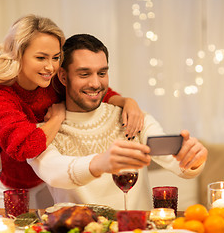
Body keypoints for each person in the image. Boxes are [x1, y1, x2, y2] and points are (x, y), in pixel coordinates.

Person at [0, 15, 145, 209]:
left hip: (48, 181)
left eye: (55, 58)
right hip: (15, 188)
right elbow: (25, 148)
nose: (50, 67)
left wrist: (127, 102)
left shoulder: (51, 80)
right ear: (18, 54)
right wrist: (58, 118)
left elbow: (91, 91)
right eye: (41, 57)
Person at [27, 34, 208, 210]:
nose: (96, 83)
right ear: (63, 77)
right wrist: (100, 163)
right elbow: (55, 173)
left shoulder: (132, 117)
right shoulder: (43, 133)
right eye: (84, 74)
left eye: (102, 73)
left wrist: (193, 159)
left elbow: (176, 162)